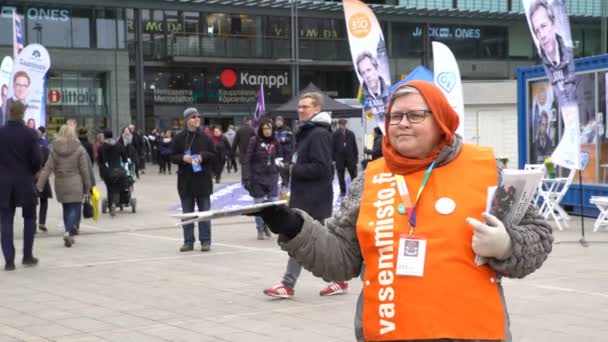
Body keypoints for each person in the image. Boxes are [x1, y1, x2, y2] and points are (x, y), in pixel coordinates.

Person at [254, 80, 554, 341]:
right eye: (395, 116)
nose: (402, 123)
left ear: (441, 121)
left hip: (470, 333)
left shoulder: (485, 170)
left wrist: (506, 245)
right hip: (390, 330)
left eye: (415, 115)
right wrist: (292, 226)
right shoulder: (371, 177)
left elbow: (538, 236)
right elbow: (341, 260)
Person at [263, 92, 349, 299]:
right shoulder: (307, 132)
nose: (301, 110)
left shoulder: (318, 134)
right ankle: (339, 281)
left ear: (317, 109)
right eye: (300, 107)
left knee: (300, 240)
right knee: (313, 244)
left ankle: (288, 284)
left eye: (306, 107)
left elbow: (322, 169)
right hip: (307, 197)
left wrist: (292, 169)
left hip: (314, 199)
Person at [0, 101, 41, 271]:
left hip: (4, 182)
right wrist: (31, 172)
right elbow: (37, 159)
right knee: (30, 218)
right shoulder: (30, 134)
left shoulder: (1, 133)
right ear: (22, 114)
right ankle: (27, 256)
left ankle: (9, 260)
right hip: (25, 180)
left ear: (9, 113)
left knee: (6, 221)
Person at [37, 125, 92, 247]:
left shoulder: (54, 149)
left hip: (60, 182)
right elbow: (84, 169)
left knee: (66, 208)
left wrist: (39, 184)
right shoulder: (79, 149)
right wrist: (88, 186)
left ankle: (69, 233)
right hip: (75, 182)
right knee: (75, 209)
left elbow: (47, 168)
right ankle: (68, 231)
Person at [170, 108, 216, 252]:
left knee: (204, 214)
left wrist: (203, 156)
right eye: (193, 117)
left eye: (198, 116)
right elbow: (172, 156)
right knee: (188, 214)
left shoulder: (205, 137)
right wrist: (183, 158)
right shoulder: (179, 138)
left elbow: (214, 155)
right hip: (186, 182)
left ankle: (205, 241)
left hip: (203, 181)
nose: (197, 119)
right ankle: (188, 241)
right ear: (187, 120)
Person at [529, 0, 576, 106]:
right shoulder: (537, 71)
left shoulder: (572, 61)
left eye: (544, 26)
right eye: (537, 31)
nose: (542, 35)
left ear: (554, 24)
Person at [242, 119, 282, 240]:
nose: (267, 131)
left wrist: (284, 175)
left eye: (269, 128)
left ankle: (267, 225)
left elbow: (280, 159)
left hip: (272, 177)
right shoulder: (254, 141)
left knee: (273, 204)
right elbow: (247, 160)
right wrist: (246, 178)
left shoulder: (276, 141)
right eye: (265, 128)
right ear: (261, 130)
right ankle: (260, 227)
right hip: (257, 178)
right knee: (259, 205)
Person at [98, 129, 129, 216]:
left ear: (104, 136)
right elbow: (125, 159)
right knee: (119, 185)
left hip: (108, 172)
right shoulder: (119, 145)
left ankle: (111, 204)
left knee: (109, 188)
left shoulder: (102, 147)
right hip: (119, 170)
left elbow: (100, 161)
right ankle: (119, 201)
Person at [357, 51, 390, 117]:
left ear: (376, 68)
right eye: (363, 73)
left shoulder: (390, 92)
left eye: (369, 70)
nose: (367, 75)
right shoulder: (362, 96)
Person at [332, 118, 358, 197]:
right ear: (339, 125)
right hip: (339, 158)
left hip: (350, 157)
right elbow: (332, 147)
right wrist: (333, 159)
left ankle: (354, 191)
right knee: (340, 175)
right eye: (342, 124)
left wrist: (356, 156)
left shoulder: (351, 133)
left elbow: (354, 145)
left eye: (345, 124)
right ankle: (343, 191)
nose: (344, 126)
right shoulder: (335, 134)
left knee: (353, 175)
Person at [36, 129, 52, 233]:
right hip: (43, 177)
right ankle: (42, 222)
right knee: (44, 200)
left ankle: (32, 223)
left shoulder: (27, 149)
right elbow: (49, 164)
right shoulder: (45, 149)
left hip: (31, 177)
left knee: (31, 202)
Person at [274, 115, 294, 188]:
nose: (278, 122)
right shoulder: (274, 130)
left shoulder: (287, 129)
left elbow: (292, 139)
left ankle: (286, 181)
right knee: (280, 167)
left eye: (279, 121)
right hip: (278, 152)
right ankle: (284, 180)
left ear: (282, 121)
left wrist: (284, 140)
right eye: (277, 121)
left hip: (287, 152)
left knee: (286, 168)